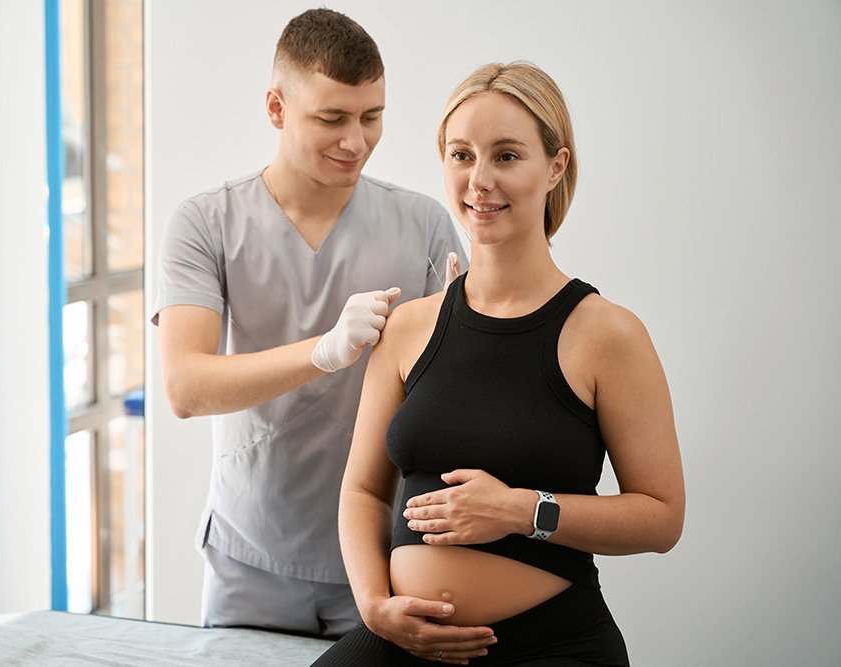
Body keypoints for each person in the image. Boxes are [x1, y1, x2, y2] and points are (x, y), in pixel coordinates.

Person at [312, 61, 685, 665]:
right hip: (407, 641)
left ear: (555, 167)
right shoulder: (407, 328)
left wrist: (521, 510)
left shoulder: (608, 334)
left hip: (554, 643)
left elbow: (661, 518)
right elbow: (362, 490)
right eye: (461, 155)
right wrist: (375, 607)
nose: (479, 180)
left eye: (506, 156)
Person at [151, 8, 466, 638]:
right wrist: (323, 351)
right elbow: (185, 388)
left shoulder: (425, 225)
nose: (356, 140)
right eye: (332, 118)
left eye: (371, 117)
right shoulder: (205, 224)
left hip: (381, 556)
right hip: (250, 556)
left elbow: (457, 402)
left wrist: (462, 342)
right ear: (276, 108)